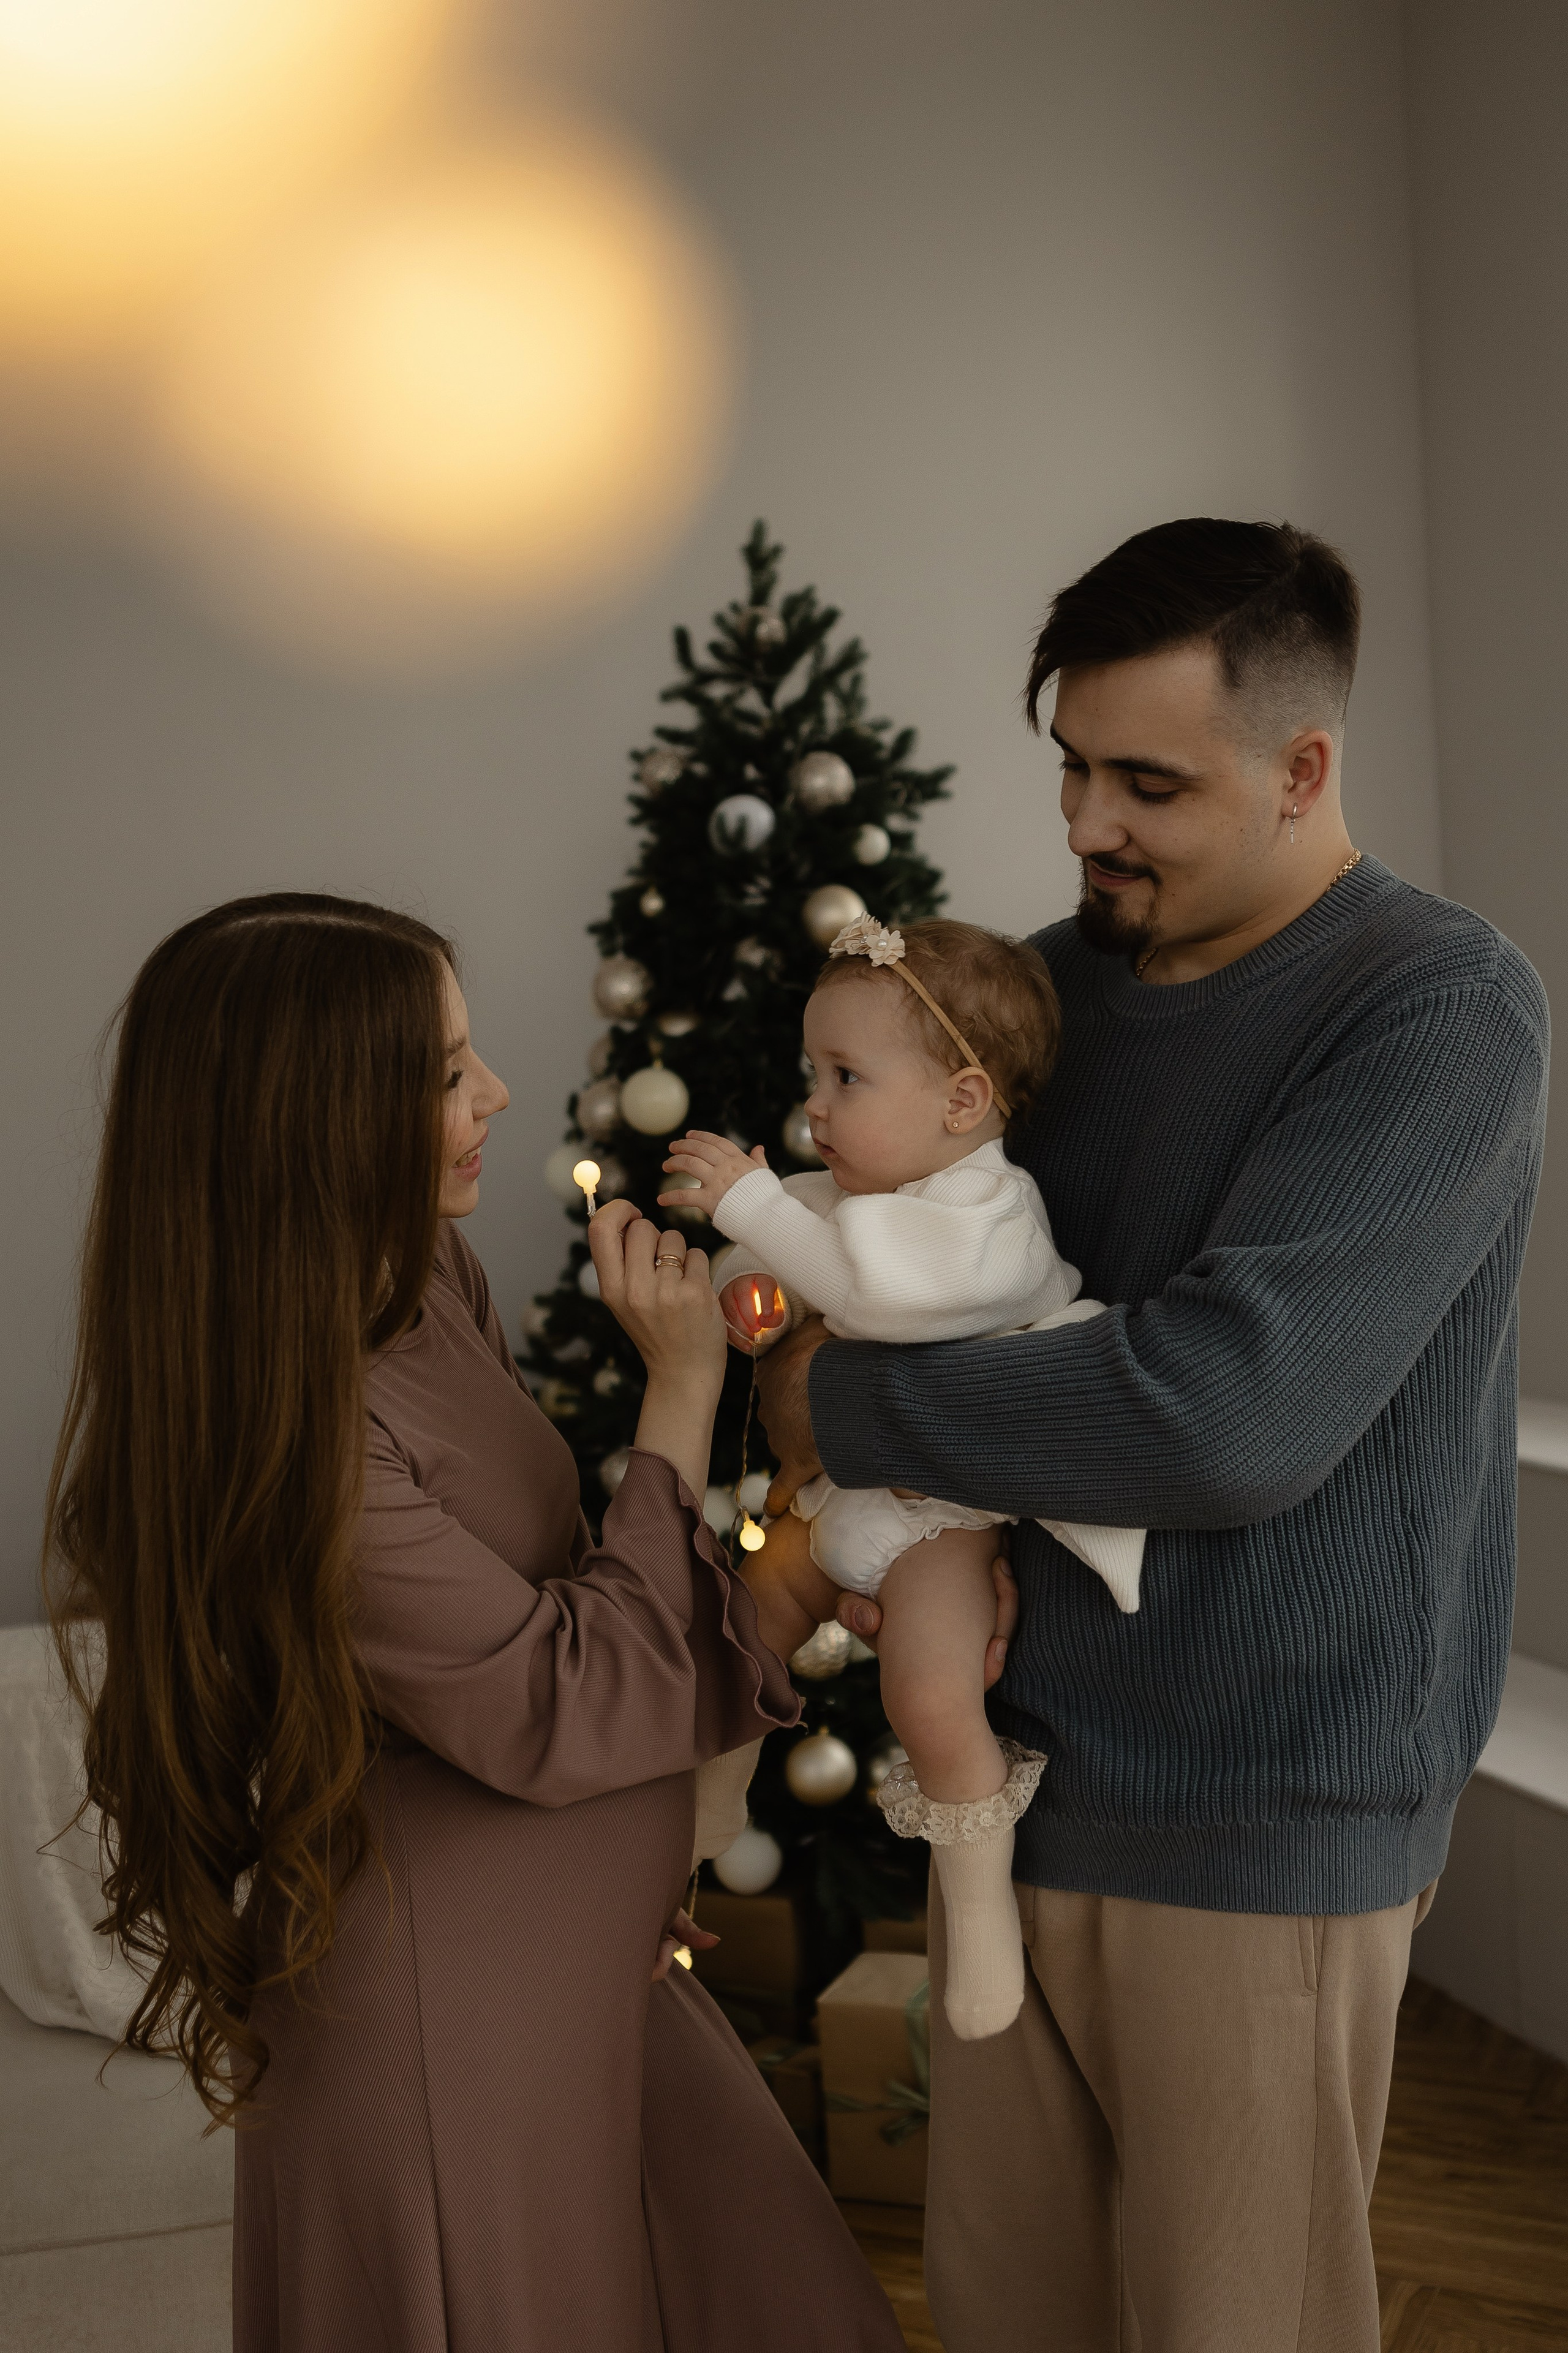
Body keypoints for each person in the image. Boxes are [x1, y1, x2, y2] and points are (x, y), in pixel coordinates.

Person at [754, 519, 1549, 2352]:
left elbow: (1222, 1409)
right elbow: (895, 1266)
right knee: (1015, 2310)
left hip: (1267, 1801)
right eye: (1072, 768)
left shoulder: (1436, 1007)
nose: (1087, 822)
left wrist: (837, 1405)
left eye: (1148, 782)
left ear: (1303, 768)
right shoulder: (1032, 993)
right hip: (1013, 1780)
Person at [43, 892, 904, 2353]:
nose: (494, 1091)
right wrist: (680, 1394)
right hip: (451, 2010)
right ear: (315, 1117)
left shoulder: (423, 1277)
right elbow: (552, 1700)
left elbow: (564, 1594)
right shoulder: (298, 1427)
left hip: (578, 1951)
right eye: (445, 1071)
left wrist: (617, 1867)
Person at [661, 915, 1142, 2044]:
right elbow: (790, 1256)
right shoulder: (858, 1183)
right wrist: (750, 1290)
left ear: (962, 1103)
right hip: (838, 1501)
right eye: (812, 1074)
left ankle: (977, 1909)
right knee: (744, 1617)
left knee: (930, 1694)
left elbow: (876, 1296)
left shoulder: (991, 1218)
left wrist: (751, 1205)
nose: (814, 1106)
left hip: (943, 1515)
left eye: (845, 1077)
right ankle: (709, 1793)